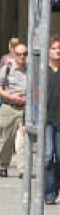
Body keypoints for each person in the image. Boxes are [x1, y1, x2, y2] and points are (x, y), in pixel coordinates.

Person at [0, 38, 28, 177]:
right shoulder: (7, 68)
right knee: (6, 140)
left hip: (25, 108)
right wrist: (11, 96)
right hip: (8, 107)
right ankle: (3, 164)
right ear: (14, 54)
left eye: (25, 54)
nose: (22, 57)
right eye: (19, 54)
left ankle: (22, 168)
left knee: (22, 140)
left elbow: (37, 89)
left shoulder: (33, 70)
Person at [45, 38, 60, 205]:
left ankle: (55, 186)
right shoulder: (43, 71)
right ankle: (49, 192)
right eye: (54, 48)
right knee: (48, 156)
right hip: (47, 120)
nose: (57, 51)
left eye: (59, 48)